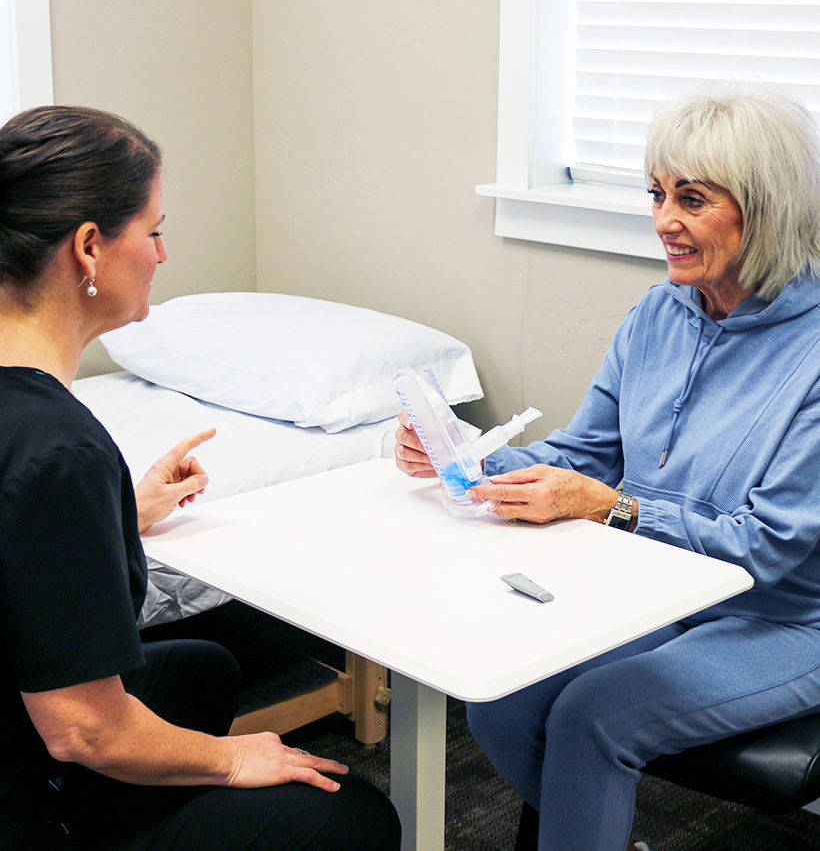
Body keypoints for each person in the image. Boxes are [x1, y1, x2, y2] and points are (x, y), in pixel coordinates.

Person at [394, 81, 820, 851]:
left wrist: (611, 510)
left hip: (787, 617)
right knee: (503, 699)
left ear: (769, 205)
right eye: (657, 194)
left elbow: (770, 548)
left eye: (692, 199)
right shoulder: (659, 314)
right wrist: (462, 456)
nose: (664, 222)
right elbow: (582, 456)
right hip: (658, 589)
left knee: (597, 716)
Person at [0, 106, 401, 851]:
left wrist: (123, 513)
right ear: (89, 248)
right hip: (23, 790)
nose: (160, 252)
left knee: (201, 667)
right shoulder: (60, 448)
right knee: (351, 815)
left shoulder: (37, 428)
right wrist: (229, 758)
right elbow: (84, 729)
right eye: (151, 230)